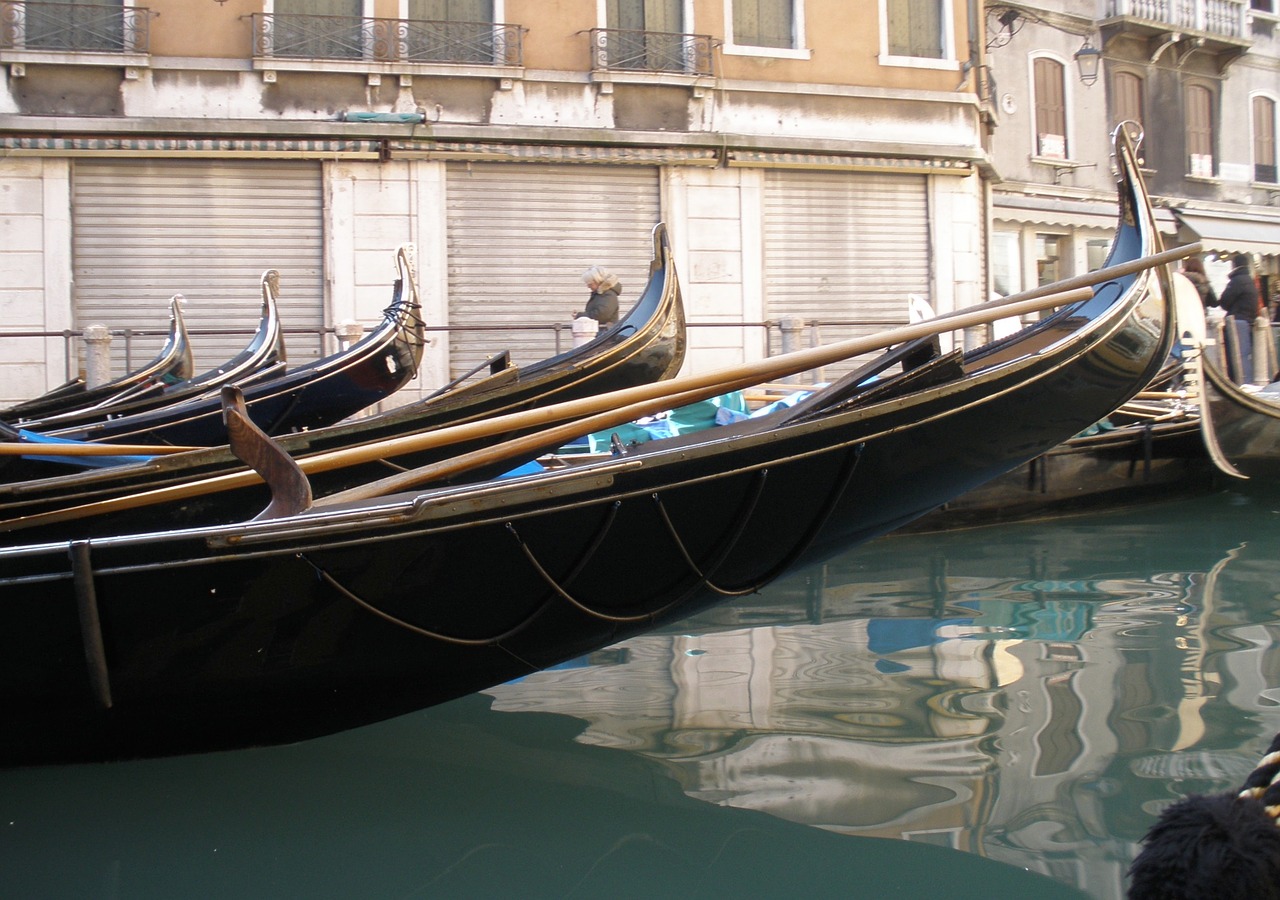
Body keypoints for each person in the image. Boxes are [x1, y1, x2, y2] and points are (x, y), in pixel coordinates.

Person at [1219, 253, 1259, 383]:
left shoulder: (1237, 280)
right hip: (1248, 321)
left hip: (1237, 322)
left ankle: (1238, 383)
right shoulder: (1249, 279)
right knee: (1245, 356)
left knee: (1236, 357)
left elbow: (1224, 301)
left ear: (1234, 265)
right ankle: (1244, 382)